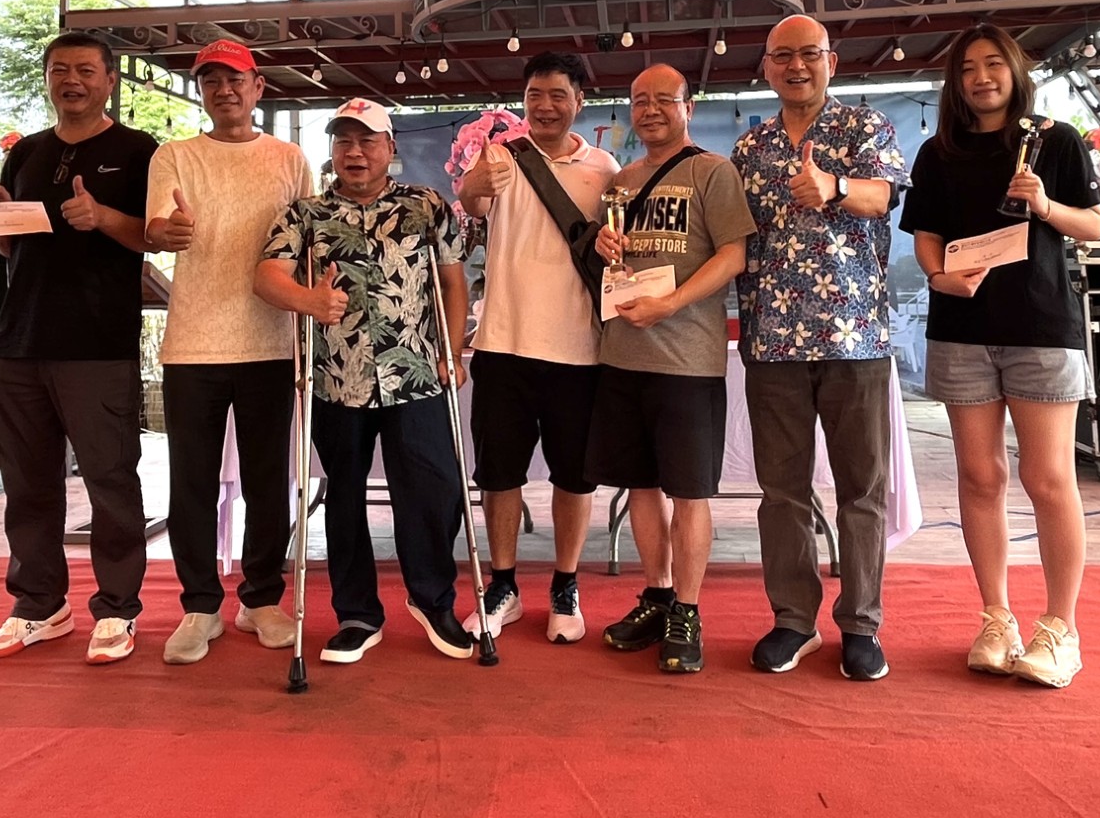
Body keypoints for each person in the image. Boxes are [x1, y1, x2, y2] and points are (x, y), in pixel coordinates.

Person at [896, 23, 1100, 689]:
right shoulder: (938, 152)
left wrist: (1044, 204)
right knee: (980, 476)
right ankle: (996, 618)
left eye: (993, 64)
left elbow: (1095, 225)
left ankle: (1060, 628)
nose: (981, 77)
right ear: (954, 83)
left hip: (1040, 326)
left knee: (1048, 478)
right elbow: (926, 235)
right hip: (961, 329)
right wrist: (939, 278)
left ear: (1015, 71)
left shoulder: (1055, 140)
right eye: (967, 69)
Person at [255, 98, 477, 665]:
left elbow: (453, 283)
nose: (354, 152)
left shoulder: (426, 206)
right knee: (345, 498)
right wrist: (309, 300)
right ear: (332, 150)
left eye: (367, 140)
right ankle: (357, 615)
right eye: (344, 141)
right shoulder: (304, 214)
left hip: (417, 375)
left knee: (434, 491)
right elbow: (267, 277)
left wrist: (452, 352)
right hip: (337, 380)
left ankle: (432, 599)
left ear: (390, 148)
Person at [0, 32, 158, 665]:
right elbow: (9, 247)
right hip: (15, 342)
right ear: (47, 78)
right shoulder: (25, 152)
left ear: (110, 80)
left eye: (85, 70)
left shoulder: (138, 150)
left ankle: (118, 609)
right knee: (26, 484)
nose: (71, 80)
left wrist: (103, 217)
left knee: (110, 480)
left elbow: (155, 236)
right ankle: (38, 606)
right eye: (59, 70)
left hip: (97, 345)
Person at [731, 15, 910, 682]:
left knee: (862, 488)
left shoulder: (865, 128)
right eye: (783, 55)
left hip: (854, 337)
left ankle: (861, 624)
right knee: (782, 491)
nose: (796, 66)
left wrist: (835, 186)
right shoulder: (750, 148)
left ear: (832, 61)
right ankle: (793, 621)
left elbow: (883, 195)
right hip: (771, 342)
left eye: (809, 53)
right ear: (766, 66)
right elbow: (731, 237)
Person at [145, 40, 313, 665]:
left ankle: (261, 598)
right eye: (211, 81)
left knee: (270, 482)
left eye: (235, 79)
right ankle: (199, 606)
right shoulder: (175, 155)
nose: (224, 90)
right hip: (193, 343)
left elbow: (309, 238)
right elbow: (156, 228)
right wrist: (166, 232)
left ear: (258, 86)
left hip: (271, 342)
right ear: (201, 91)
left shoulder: (289, 158)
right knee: (190, 482)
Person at [589, 64, 756, 674]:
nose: (651, 109)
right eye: (640, 100)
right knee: (640, 485)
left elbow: (734, 256)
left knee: (689, 491)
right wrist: (606, 245)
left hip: (687, 361)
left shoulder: (713, 172)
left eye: (665, 99)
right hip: (621, 356)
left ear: (689, 107)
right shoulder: (622, 181)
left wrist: (672, 303)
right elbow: (616, 259)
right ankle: (657, 595)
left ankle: (687, 609)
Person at [454, 52, 619, 644]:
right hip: (503, 343)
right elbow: (473, 204)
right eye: (534, 96)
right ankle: (502, 585)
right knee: (499, 475)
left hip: (580, 350)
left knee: (575, 478)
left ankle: (565, 584)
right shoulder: (500, 156)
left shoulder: (604, 168)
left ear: (579, 100)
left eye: (557, 95)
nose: (544, 107)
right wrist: (471, 187)